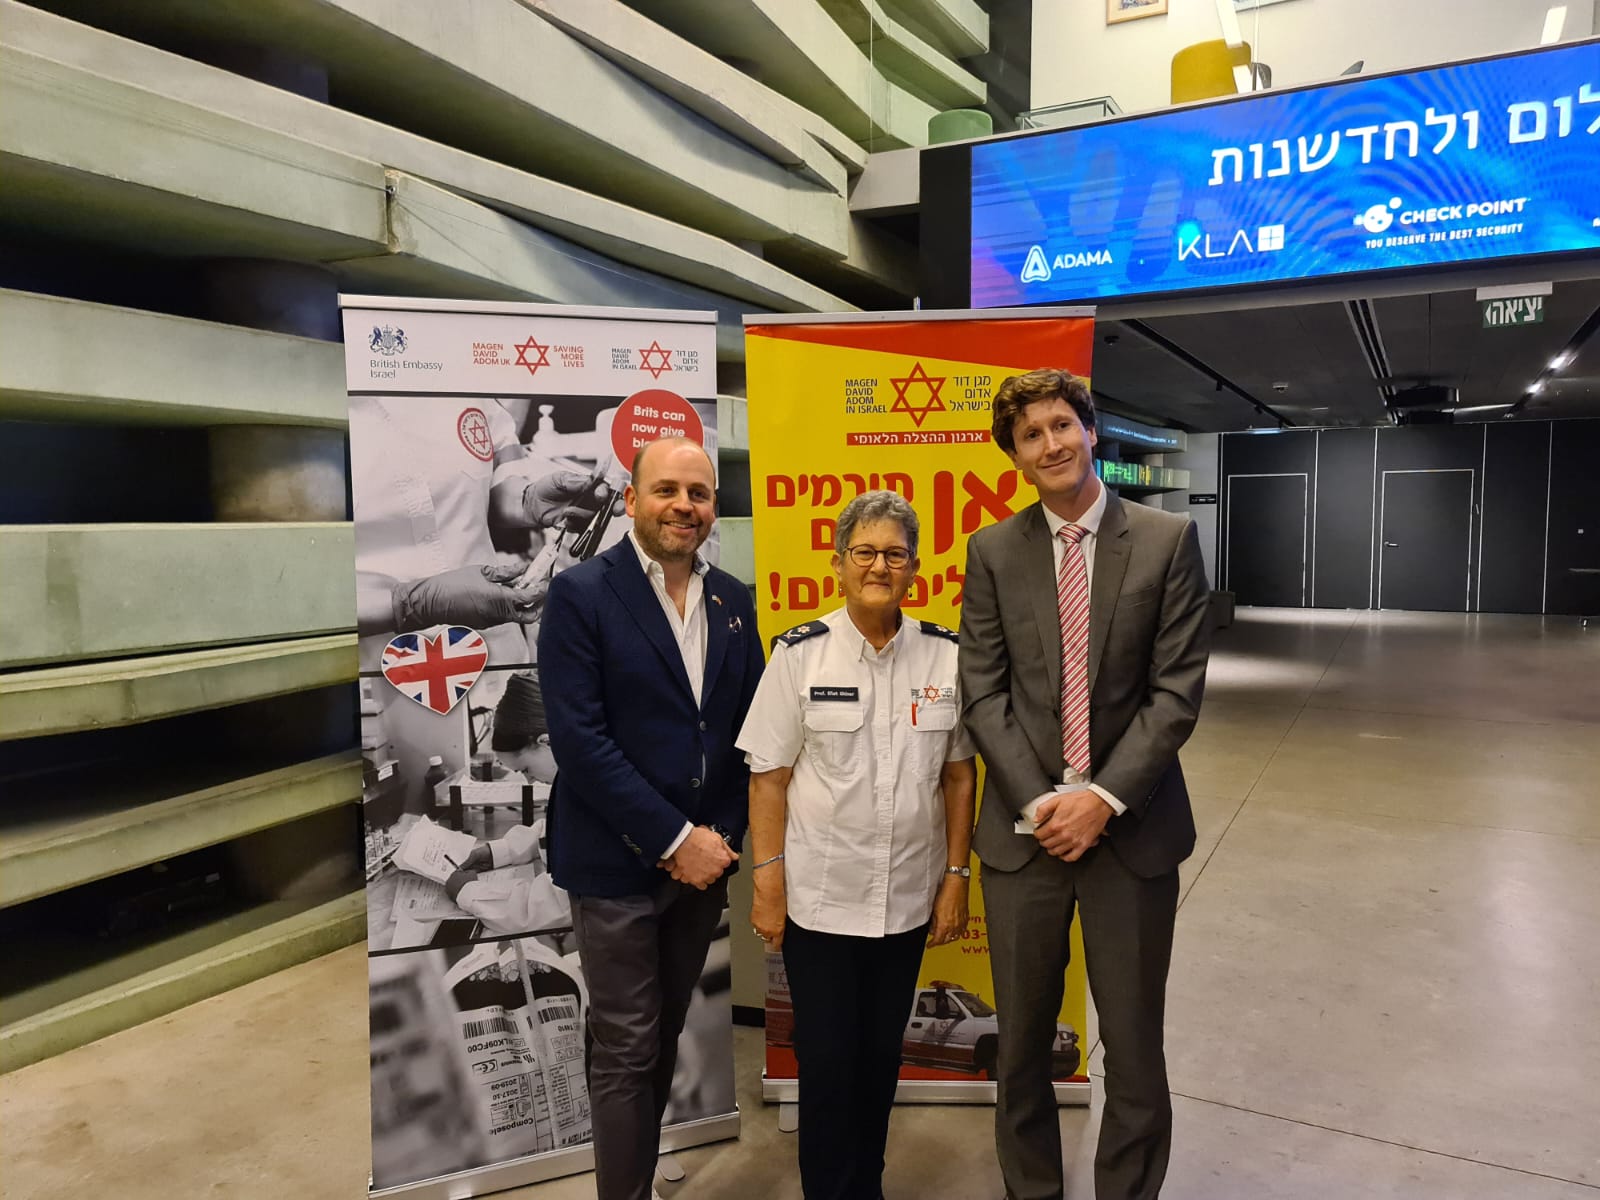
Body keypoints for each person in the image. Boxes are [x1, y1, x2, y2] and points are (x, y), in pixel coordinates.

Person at [958, 370, 1211, 1200]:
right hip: (1024, 839)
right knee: (1021, 1047)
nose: (1051, 444)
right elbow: (982, 693)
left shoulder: (1166, 541)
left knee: (1133, 1048)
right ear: (1016, 457)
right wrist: (1044, 804)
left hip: (1131, 836)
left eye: (1062, 425)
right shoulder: (994, 552)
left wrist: (1099, 800)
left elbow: (1176, 694)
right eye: (1031, 435)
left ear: (1091, 430)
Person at [536, 435, 765, 1200]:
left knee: (661, 1030)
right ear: (632, 499)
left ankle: (632, 1169)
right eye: (666, 490)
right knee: (628, 1043)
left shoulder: (732, 600)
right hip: (615, 862)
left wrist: (719, 837)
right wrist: (674, 839)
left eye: (699, 494)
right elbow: (580, 741)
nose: (683, 506)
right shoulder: (581, 594)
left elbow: (748, 732)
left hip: (701, 865)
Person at [739, 490, 977, 1200]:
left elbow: (959, 777)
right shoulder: (799, 656)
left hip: (905, 900)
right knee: (827, 1064)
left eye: (894, 554)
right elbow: (768, 780)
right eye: (864, 552)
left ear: (915, 568)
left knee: (879, 1062)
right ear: (838, 563)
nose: (879, 566)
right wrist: (768, 884)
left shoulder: (945, 657)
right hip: (820, 903)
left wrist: (956, 875)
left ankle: (864, 1187)